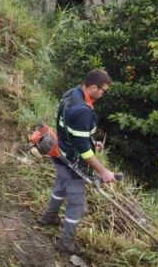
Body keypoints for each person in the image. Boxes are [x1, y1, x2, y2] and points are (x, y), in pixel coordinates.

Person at [40, 69, 117, 255]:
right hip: (73, 163)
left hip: (59, 153)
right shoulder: (83, 111)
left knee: (60, 186)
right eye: (103, 90)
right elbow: (83, 151)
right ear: (92, 87)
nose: (103, 94)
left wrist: (91, 142)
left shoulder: (71, 93)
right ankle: (66, 244)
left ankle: (48, 218)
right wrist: (103, 171)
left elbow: (73, 132)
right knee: (76, 206)